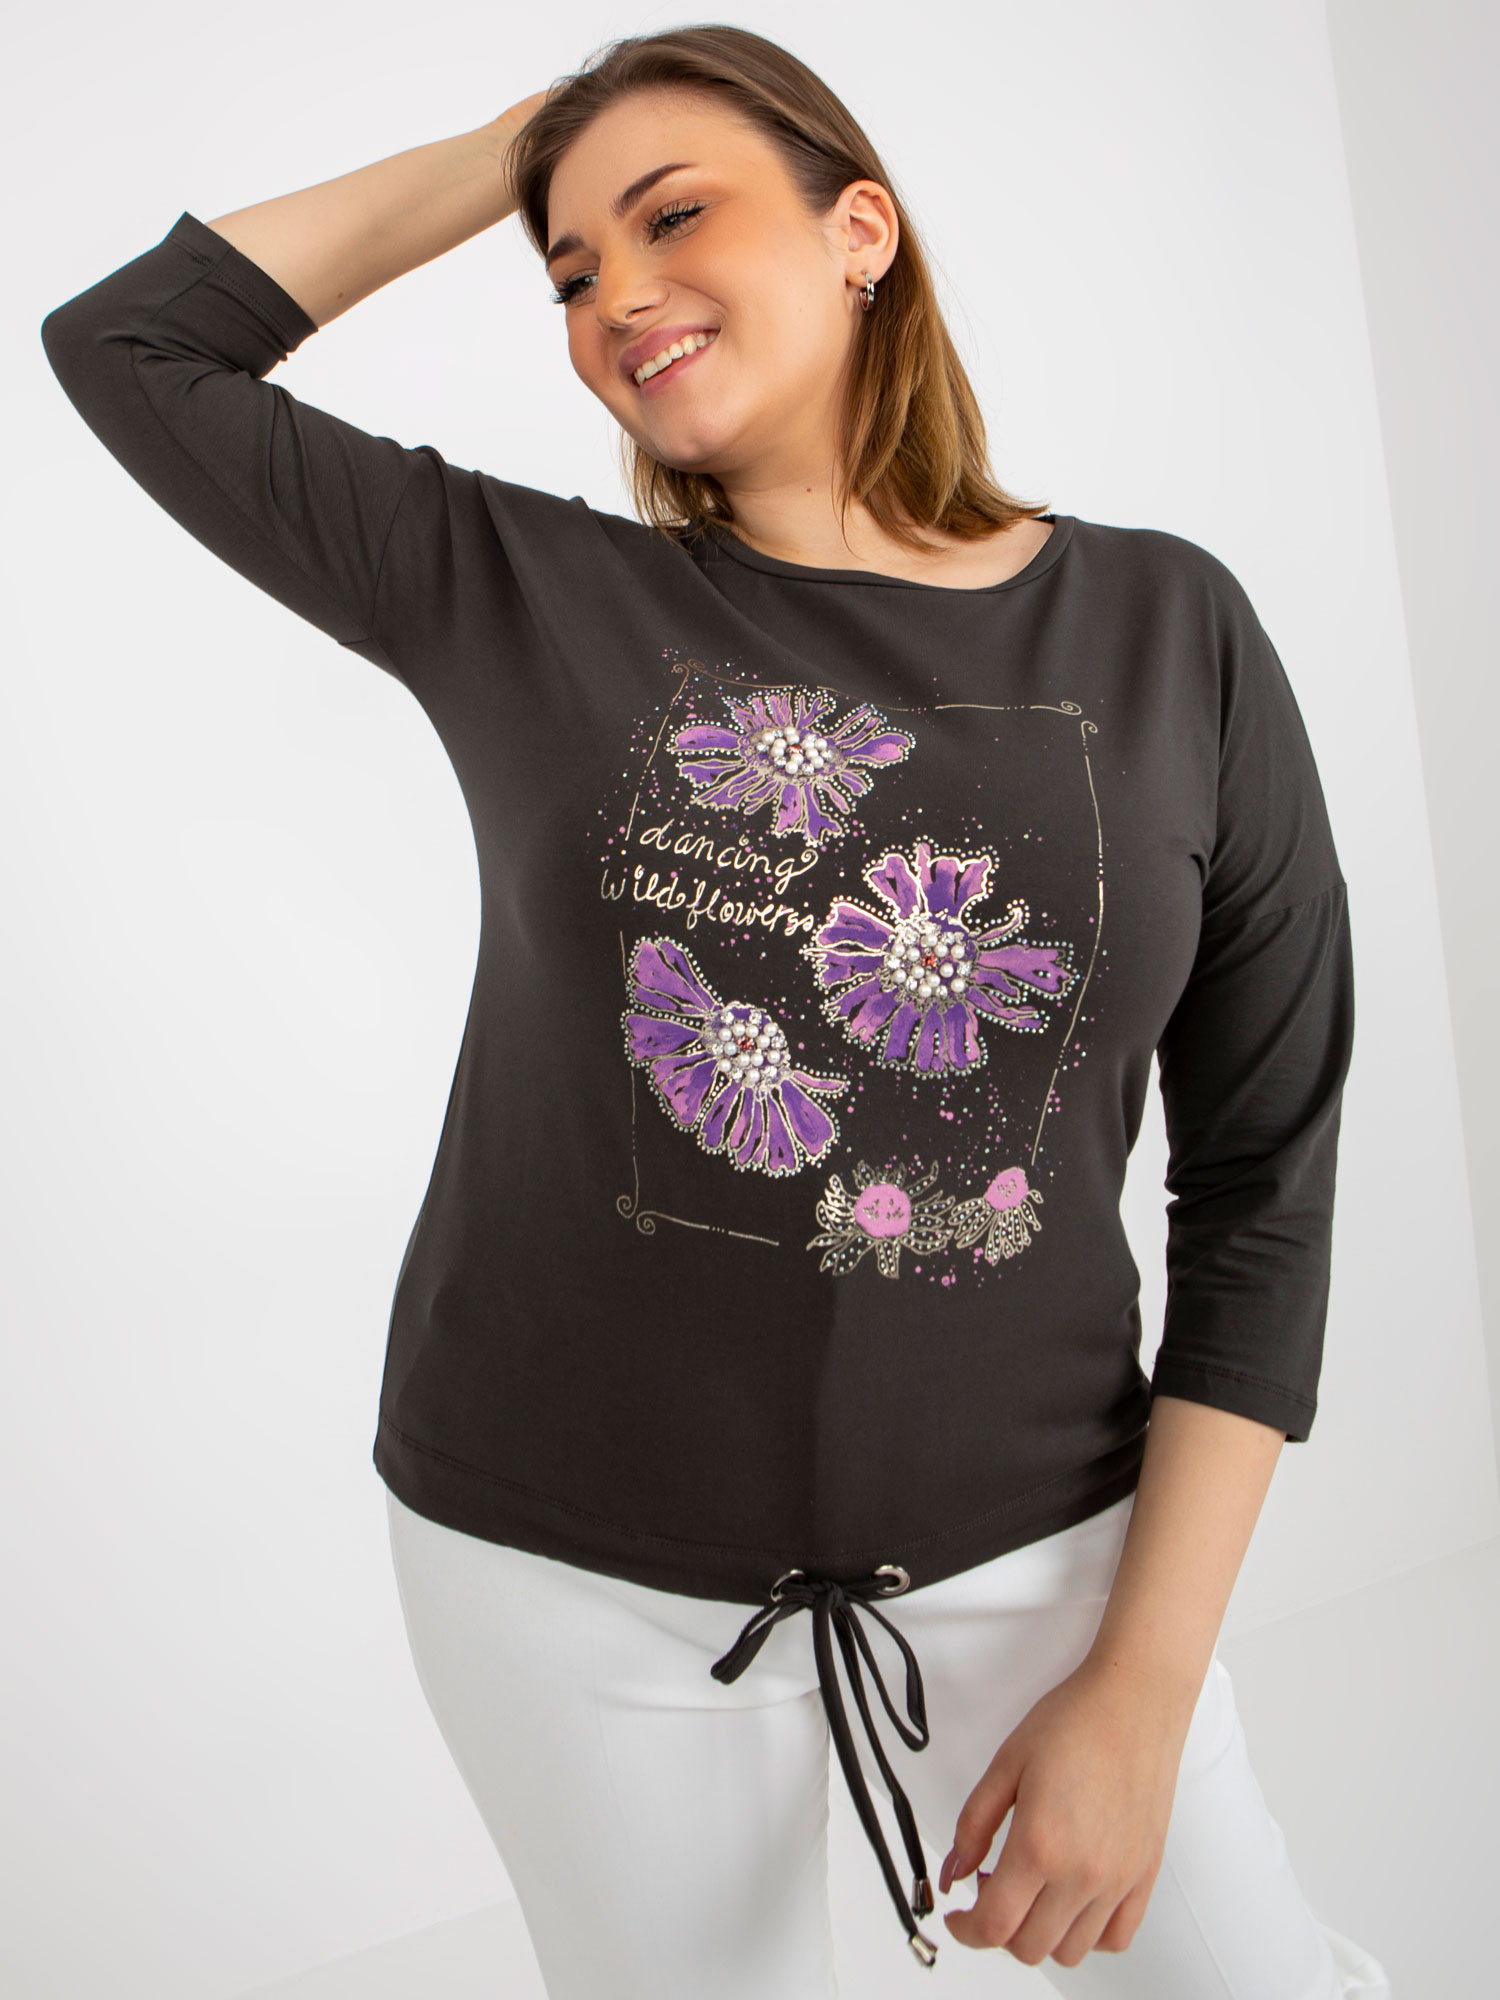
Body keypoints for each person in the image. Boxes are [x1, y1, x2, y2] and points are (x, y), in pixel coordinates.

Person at [40, 23, 1393, 1999]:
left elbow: (1267, 1176)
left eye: (676, 216)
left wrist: (1149, 1681)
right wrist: (519, 147)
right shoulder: (519, 590)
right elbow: (130, 345)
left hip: (1048, 1548)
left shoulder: (1170, 626)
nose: (616, 294)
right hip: (565, 1591)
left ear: (862, 232)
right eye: (570, 269)